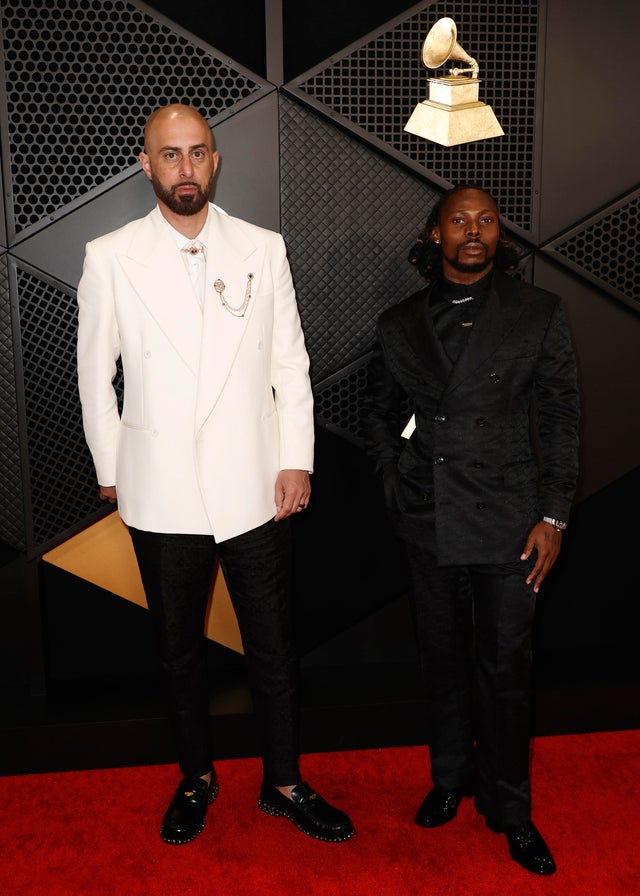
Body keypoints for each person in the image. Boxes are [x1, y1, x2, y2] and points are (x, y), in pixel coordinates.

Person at [77, 103, 354, 846]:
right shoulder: (110, 256)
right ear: (146, 164)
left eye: (198, 153)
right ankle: (196, 778)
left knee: (273, 644)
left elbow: (289, 362)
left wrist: (296, 458)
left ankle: (285, 782)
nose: (186, 169)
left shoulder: (264, 247)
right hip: (159, 490)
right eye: (170, 155)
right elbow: (92, 376)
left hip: (253, 484)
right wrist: (113, 467)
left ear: (216, 159)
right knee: (177, 650)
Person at [360, 184, 579, 875]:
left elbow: (561, 420)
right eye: (459, 220)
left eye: (486, 220)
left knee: (506, 668)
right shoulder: (399, 323)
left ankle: (510, 808)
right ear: (435, 236)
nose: (473, 230)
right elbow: (376, 414)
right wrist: (397, 484)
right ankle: (450, 778)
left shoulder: (539, 312)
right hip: (429, 519)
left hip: (514, 520)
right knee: (442, 659)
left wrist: (553, 515)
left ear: (500, 236)